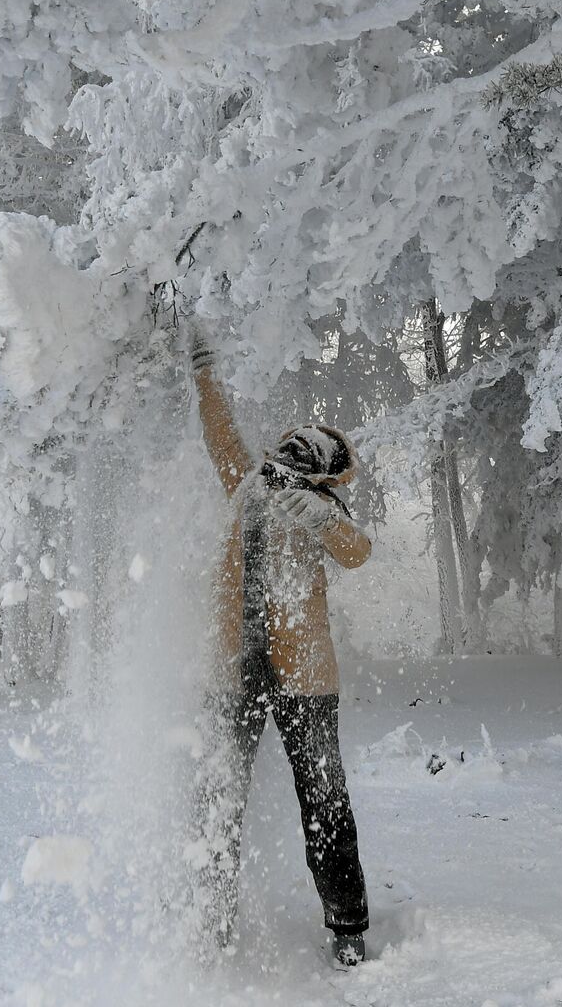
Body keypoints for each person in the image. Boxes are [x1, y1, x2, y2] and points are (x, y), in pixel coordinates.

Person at [186, 330, 373, 968]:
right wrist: (204, 362)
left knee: (323, 799)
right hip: (232, 672)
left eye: (303, 462)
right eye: (288, 454)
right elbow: (218, 429)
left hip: (306, 682)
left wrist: (322, 516)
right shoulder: (245, 484)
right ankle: (205, 920)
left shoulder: (323, 510)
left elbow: (358, 551)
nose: (287, 466)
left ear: (323, 475)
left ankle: (348, 925)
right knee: (215, 796)